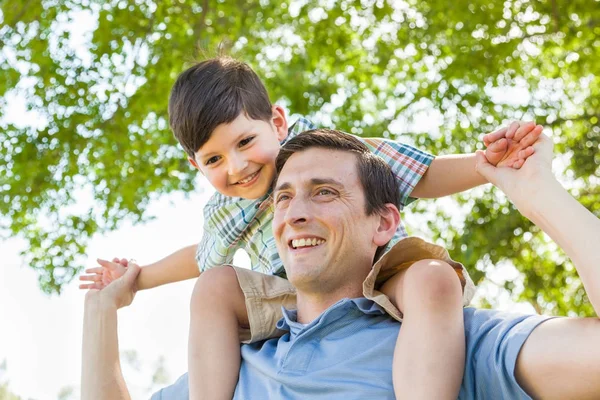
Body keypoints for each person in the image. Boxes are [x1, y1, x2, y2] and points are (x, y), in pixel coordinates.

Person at [79, 57, 541, 399]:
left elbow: (419, 174)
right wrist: (138, 277)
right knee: (216, 286)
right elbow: (200, 255)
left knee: (430, 278)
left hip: (377, 270)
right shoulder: (225, 210)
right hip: (294, 296)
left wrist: (485, 168)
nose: (237, 166)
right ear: (195, 164)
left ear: (276, 122)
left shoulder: (323, 156)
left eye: (245, 142)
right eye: (214, 159)